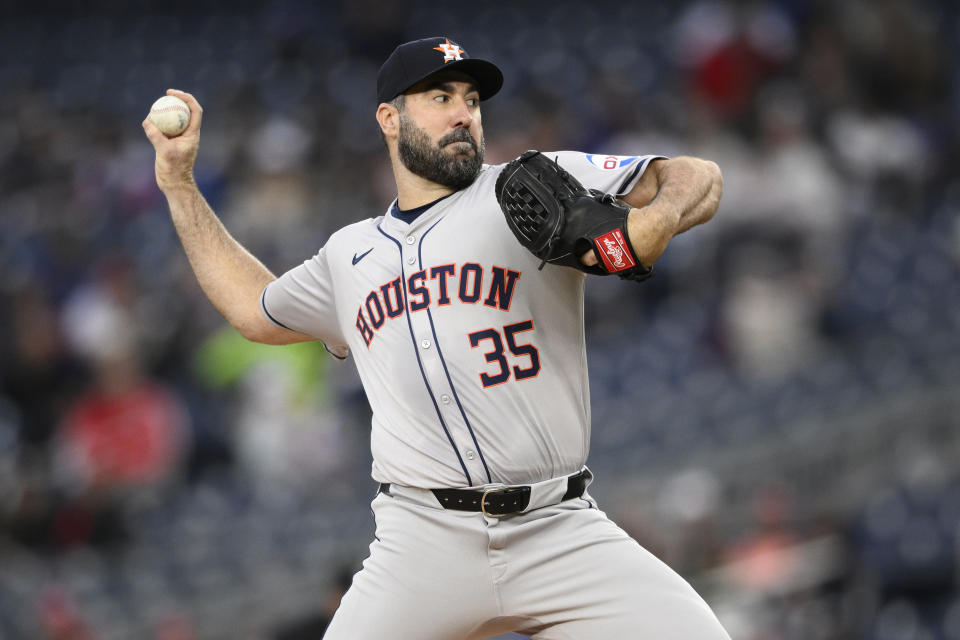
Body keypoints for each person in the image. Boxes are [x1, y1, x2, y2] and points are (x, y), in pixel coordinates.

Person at [143, 36, 728, 640]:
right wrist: (180, 184)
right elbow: (253, 312)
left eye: (472, 99)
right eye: (440, 96)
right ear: (389, 119)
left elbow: (695, 176)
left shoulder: (526, 190)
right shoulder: (349, 255)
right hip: (423, 543)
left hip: (559, 527)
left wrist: (649, 224)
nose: (463, 113)